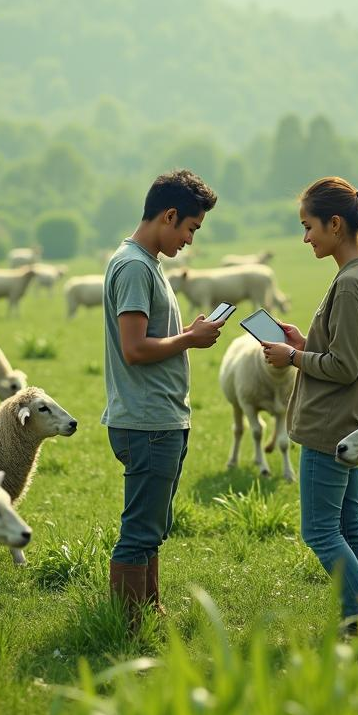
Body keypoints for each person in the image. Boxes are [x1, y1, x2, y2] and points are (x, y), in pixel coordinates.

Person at [260, 176, 358, 632]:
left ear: (335, 224)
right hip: (347, 422)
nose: (306, 237)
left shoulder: (352, 284)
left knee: (319, 531)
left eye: (309, 226)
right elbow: (338, 349)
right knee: (347, 525)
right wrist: (305, 340)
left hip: (327, 427)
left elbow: (344, 366)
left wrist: (292, 356)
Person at [102, 169, 224, 620]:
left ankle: (150, 610)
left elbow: (148, 337)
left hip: (157, 417)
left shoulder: (144, 263)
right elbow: (134, 349)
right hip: (147, 420)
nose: (190, 240)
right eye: (190, 228)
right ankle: (127, 626)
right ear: (169, 216)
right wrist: (189, 340)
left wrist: (185, 332)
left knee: (151, 527)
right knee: (139, 531)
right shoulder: (135, 267)